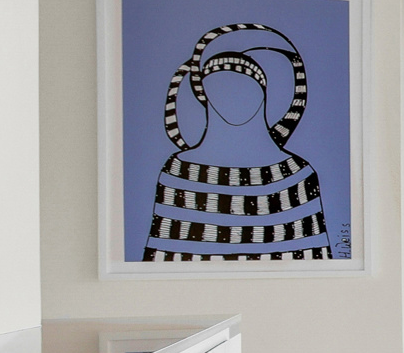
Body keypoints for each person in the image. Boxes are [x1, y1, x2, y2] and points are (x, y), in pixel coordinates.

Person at [141, 22, 338, 261]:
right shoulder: (178, 173)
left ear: (263, 95)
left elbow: (315, 262)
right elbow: (161, 260)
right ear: (206, 96)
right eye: (221, 87)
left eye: (246, 86)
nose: (233, 97)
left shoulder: (298, 176)